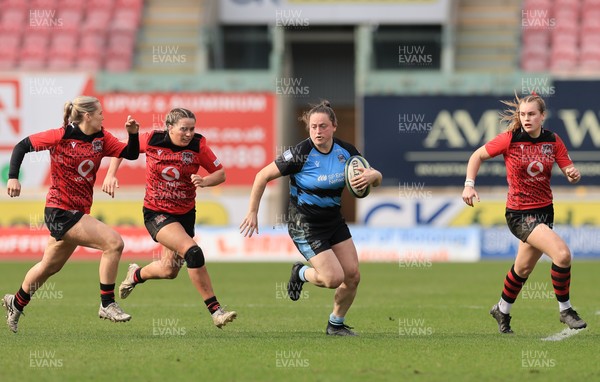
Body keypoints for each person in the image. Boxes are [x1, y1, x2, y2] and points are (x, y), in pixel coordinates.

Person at [240, 100, 382, 336]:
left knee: (353, 276)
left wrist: (373, 176)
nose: (318, 131)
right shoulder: (299, 154)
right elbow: (262, 176)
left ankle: (335, 324)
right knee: (333, 278)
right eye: (314, 126)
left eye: (323, 126)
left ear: (334, 126)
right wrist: (253, 210)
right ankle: (301, 273)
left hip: (334, 221)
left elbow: (373, 176)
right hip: (305, 225)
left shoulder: (346, 152)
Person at [2, 95, 140, 333]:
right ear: (87, 116)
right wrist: (12, 176)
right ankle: (107, 304)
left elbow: (131, 153)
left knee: (49, 267)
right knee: (114, 243)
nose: (103, 117)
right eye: (99, 113)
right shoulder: (61, 135)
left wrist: (134, 134)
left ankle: (16, 302)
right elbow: (21, 146)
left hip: (78, 211)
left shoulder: (102, 138)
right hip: (60, 211)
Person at [462, 93, 586, 334]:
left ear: (543, 116)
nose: (526, 118)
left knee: (523, 269)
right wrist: (469, 184)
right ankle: (566, 310)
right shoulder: (510, 139)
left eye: (531, 114)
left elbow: (568, 168)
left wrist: (573, 174)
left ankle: (502, 309)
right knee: (562, 255)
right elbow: (477, 155)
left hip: (545, 212)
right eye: (522, 114)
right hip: (520, 214)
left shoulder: (553, 140)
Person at [102, 107, 237, 329]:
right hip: (157, 213)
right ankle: (216, 311)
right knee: (193, 252)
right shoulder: (153, 139)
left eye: (192, 129)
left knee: (168, 270)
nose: (189, 133)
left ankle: (135, 275)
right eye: (184, 129)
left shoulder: (198, 145)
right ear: (169, 127)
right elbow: (123, 149)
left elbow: (220, 174)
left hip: (185, 214)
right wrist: (110, 174)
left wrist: (205, 181)